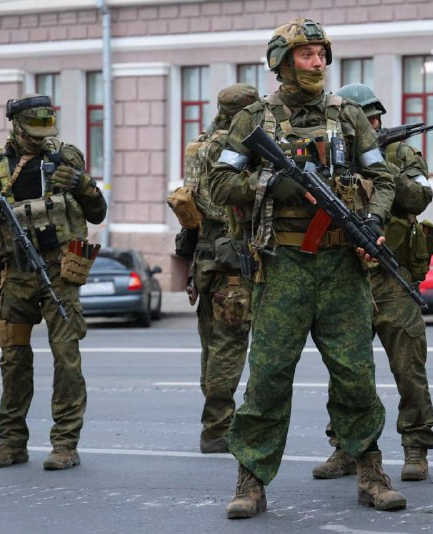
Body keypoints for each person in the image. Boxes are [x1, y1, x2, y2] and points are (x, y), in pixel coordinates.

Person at [207, 18, 405, 518]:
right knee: (268, 376)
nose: (316, 63)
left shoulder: (349, 116)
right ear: (282, 63)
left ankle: (370, 472)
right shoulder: (253, 120)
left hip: (341, 265)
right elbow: (218, 183)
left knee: (355, 374)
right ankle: (251, 479)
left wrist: (374, 220)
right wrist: (272, 185)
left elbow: (382, 177)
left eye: (321, 54)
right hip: (283, 266)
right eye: (306, 54)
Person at [0, 94, 106, 470]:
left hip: (59, 272)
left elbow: (98, 212)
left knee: (66, 358)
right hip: (14, 274)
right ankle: (11, 443)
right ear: (16, 127)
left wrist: (83, 184)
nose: (40, 140)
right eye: (32, 133)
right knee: (13, 360)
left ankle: (65, 445)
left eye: (45, 132)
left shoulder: (66, 158)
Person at [311, 83, 433, 482]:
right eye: (364, 121)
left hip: (393, 276)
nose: (372, 125)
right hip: (347, 275)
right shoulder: (331, 156)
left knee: (409, 367)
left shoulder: (401, 155)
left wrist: (381, 167)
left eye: (375, 119)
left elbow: (419, 199)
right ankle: (346, 446)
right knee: (347, 371)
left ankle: (416, 446)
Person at [177, 84, 259, 454]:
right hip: (233, 256)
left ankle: (215, 422)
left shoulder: (199, 144)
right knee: (229, 343)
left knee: (211, 344)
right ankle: (217, 428)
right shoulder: (239, 148)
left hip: (205, 256)